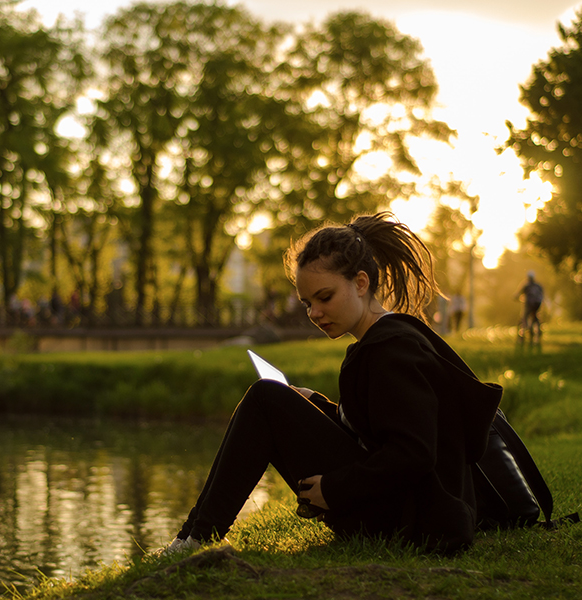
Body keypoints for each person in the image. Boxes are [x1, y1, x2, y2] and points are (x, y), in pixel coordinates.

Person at [158, 212, 502, 557]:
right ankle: (194, 534)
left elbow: (415, 454)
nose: (314, 313)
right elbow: (382, 430)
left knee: (265, 399)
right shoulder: (387, 339)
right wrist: (319, 406)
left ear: (361, 283)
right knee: (273, 399)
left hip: (415, 523)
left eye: (325, 297)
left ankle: (196, 536)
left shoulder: (390, 349)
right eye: (308, 303)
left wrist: (336, 489)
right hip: (405, 510)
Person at [517, 271, 544, 343]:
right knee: (535, 315)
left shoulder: (526, 285)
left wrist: (516, 297)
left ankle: (526, 330)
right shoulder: (538, 285)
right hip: (538, 303)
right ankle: (539, 328)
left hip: (529, 303)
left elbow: (518, 293)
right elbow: (542, 294)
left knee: (525, 316)